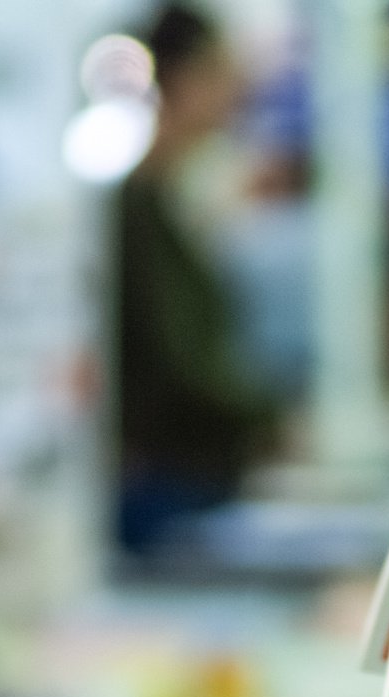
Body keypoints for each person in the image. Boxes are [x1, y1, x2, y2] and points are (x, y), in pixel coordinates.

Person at [111, 3, 281, 562]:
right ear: (184, 81)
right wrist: (269, 420)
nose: (236, 92)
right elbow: (179, 361)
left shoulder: (172, 204)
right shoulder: (138, 213)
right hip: (166, 493)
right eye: (222, 73)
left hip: (187, 482)